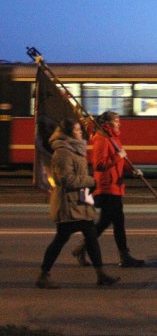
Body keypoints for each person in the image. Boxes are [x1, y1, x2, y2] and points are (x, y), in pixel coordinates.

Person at [36, 118, 120, 289]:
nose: (80, 133)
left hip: (80, 201)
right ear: (68, 133)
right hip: (69, 204)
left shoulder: (75, 149)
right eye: (76, 130)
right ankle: (43, 275)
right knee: (60, 239)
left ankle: (100, 274)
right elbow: (66, 180)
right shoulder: (63, 153)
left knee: (90, 237)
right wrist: (90, 181)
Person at [72, 111, 145, 268]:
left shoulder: (113, 138)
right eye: (116, 121)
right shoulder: (102, 139)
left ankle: (82, 248)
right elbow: (98, 164)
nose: (119, 124)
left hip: (115, 187)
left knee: (106, 222)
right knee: (117, 222)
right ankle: (124, 256)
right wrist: (118, 156)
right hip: (106, 188)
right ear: (107, 124)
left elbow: (121, 160)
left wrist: (131, 170)